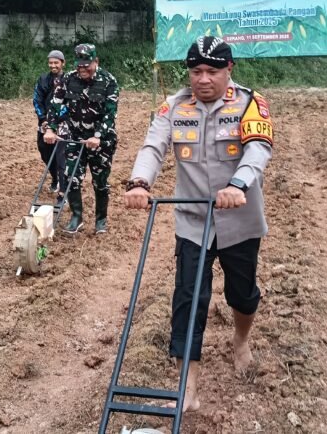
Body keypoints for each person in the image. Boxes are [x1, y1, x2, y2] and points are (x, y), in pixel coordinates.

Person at [124, 36, 272, 412]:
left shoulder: (250, 103)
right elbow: (153, 146)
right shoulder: (173, 106)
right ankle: (186, 386)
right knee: (188, 299)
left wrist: (238, 184)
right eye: (195, 71)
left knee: (241, 294)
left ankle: (240, 339)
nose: (203, 79)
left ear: (229, 71)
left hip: (239, 217)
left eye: (212, 71)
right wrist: (140, 182)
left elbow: (258, 149)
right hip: (192, 219)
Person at [43, 43, 119, 234]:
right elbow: (55, 105)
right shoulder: (68, 79)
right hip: (74, 138)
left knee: (100, 181)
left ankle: (101, 219)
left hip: (101, 141)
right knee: (71, 177)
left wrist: (98, 135)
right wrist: (51, 129)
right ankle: (76, 217)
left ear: (96, 61)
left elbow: (110, 114)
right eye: (79, 65)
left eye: (87, 65)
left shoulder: (108, 81)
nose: (83, 69)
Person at [33, 50, 66, 193]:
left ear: (62, 63)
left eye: (56, 63)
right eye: (51, 63)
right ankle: (55, 177)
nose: (53, 65)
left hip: (63, 123)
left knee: (61, 154)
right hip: (45, 123)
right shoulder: (43, 79)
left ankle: (63, 183)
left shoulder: (68, 80)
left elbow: (70, 103)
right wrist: (43, 120)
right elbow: (37, 100)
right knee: (44, 151)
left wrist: (58, 120)